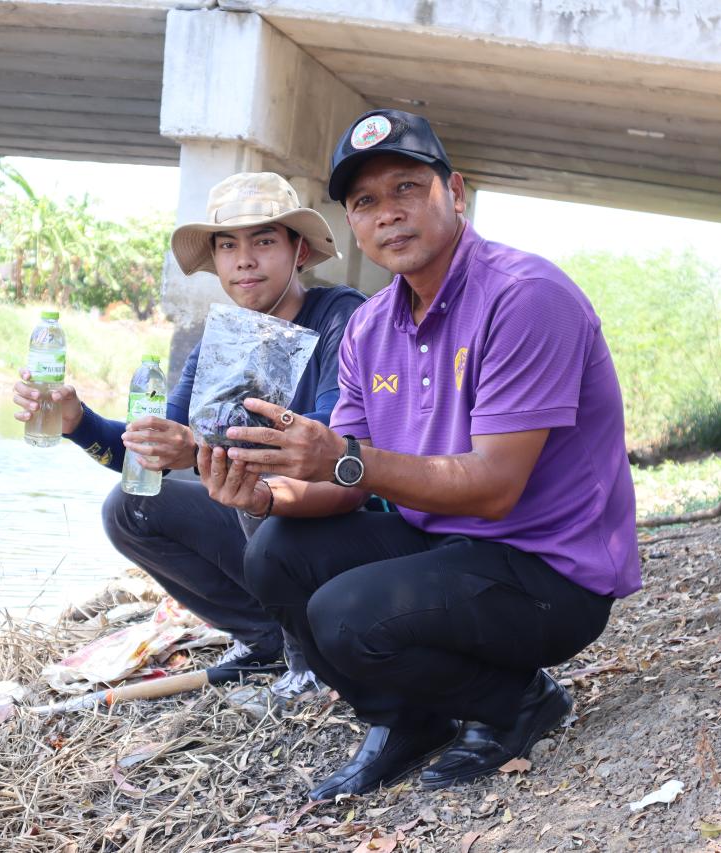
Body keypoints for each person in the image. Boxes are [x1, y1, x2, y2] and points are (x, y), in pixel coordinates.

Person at [196, 109, 641, 798]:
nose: (390, 214)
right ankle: (406, 719)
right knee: (276, 551)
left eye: (407, 187)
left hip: (549, 573)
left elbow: (494, 488)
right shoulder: (370, 327)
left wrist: (342, 457)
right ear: (351, 223)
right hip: (444, 546)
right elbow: (341, 488)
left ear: (453, 192)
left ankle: (517, 702)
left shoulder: (525, 298)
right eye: (367, 201)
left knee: (345, 613)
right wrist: (261, 494)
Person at [13, 172, 365, 697]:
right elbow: (155, 448)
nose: (244, 259)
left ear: (299, 250)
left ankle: (309, 657)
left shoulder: (342, 317)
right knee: (129, 504)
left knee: (252, 494)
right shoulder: (221, 342)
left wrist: (199, 451)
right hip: (260, 517)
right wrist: (77, 422)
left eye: (264, 241)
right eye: (228, 246)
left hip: (332, 521)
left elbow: (331, 450)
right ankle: (263, 637)